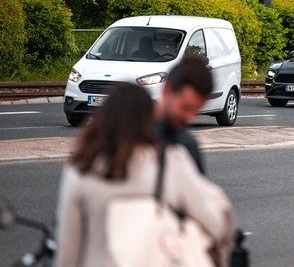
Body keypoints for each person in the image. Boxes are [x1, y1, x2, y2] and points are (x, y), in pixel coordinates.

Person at [55, 83, 233, 267]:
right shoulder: (171, 161)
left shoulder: (80, 169)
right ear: (149, 120)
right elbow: (214, 224)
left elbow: (68, 250)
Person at [155, 55, 212, 173]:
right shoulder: (131, 134)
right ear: (167, 90)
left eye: (196, 111)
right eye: (185, 108)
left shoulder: (188, 145)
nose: (190, 118)